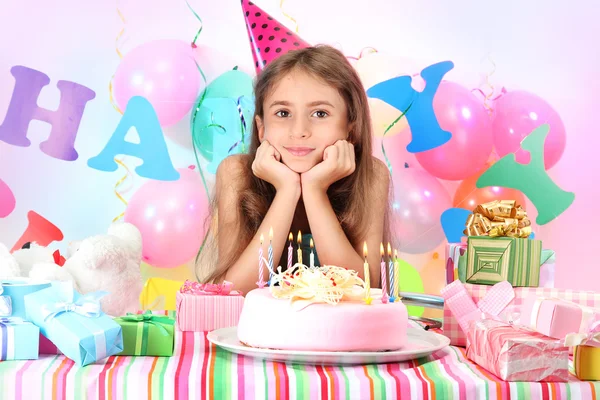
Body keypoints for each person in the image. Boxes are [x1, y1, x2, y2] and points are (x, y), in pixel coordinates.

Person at [196, 45, 393, 295]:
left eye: (320, 113)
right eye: (283, 113)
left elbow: (362, 291)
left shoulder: (371, 175)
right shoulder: (236, 172)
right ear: (261, 127)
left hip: (338, 333)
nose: (299, 130)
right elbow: (234, 290)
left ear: (350, 129)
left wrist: (315, 190)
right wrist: (287, 190)